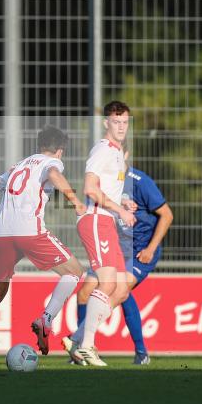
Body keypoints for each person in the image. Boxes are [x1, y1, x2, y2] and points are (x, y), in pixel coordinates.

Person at [0, 126, 86, 369]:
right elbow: (55, 175)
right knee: (74, 271)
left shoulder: (16, 168)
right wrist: (75, 201)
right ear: (59, 150)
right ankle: (46, 319)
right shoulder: (50, 162)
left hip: (1, 235)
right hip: (29, 232)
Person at [63, 166, 173, 366]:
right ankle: (81, 351)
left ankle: (82, 342)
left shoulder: (140, 181)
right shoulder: (104, 182)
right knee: (85, 292)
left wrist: (151, 248)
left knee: (120, 291)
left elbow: (167, 215)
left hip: (141, 250)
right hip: (116, 247)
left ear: (126, 153)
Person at [73, 101, 137, 367]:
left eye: (125, 122)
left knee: (121, 289)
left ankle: (77, 339)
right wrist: (119, 211)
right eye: (116, 122)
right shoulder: (102, 149)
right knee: (108, 284)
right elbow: (89, 188)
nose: (121, 127)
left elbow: (106, 189)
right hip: (96, 220)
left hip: (107, 219)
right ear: (106, 123)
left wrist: (122, 201)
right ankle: (86, 346)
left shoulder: (118, 152)